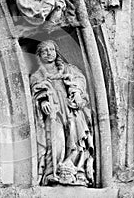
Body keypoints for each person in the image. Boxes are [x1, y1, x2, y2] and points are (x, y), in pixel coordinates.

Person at [30, 40, 94, 186]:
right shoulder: (36, 76)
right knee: (55, 141)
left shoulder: (68, 69)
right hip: (54, 112)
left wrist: (77, 93)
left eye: (52, 49)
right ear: (39, 55)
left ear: (56, 52)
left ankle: (76, 170)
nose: (49, 53)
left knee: (75, 139)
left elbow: (79, 81)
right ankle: (52, 173)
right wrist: (43, 102)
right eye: (45, 51)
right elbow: (35, 94)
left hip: (71, 109)